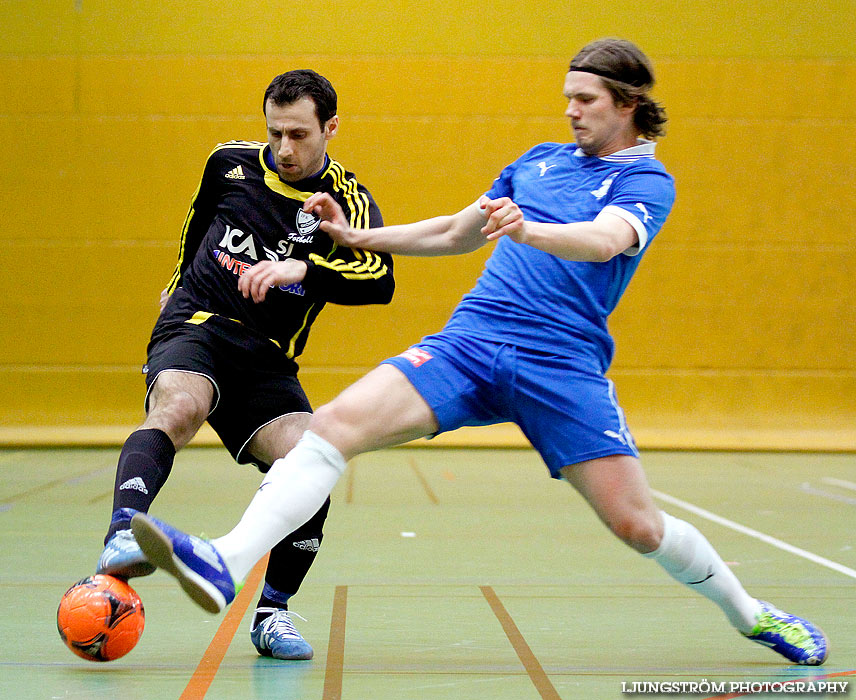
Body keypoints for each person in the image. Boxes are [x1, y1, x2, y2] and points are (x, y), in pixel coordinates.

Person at [129, 39, 828, 666]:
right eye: (567, 100)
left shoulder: (646, 183)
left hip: (560, 366)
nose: (572, 113)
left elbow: (606, 241)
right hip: (470, 342)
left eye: (585, 101)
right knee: (332, 430)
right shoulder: (539, 161)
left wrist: (532, 232)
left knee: (638, 526)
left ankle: (753, 614)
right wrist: (360, 239)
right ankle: (226, 563)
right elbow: (457, 232)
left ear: (629, 104)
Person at [96, 69, 394, 660]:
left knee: (314, 460)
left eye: (300, 135)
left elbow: (380, 281)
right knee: (179, 407)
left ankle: (272, 613)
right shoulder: (228, 162)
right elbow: (197, 223)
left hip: (266, 360)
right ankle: (122, 532)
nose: (285, 148)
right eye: (275, 132)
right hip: (197, 325)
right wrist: (178, 281)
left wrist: (304, 269)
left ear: (331, 129)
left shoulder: (348, 203)